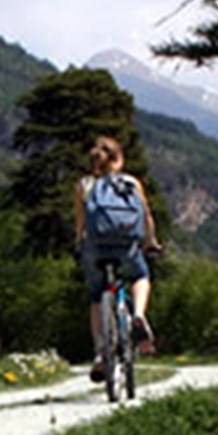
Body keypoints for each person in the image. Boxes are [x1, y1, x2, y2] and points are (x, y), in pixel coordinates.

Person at [74, 135, 160, 382]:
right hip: (126, 247)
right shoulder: (131, 183)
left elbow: (80, 224)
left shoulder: (84, 186)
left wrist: (79, 244)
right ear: (119, 159)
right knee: (141, 275)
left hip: (96, 249)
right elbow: (146, 217)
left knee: (96, 297)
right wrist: (150, 242)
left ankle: (101, 354)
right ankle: (139, 315)